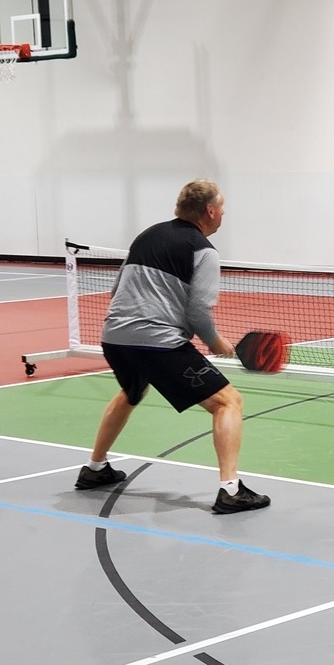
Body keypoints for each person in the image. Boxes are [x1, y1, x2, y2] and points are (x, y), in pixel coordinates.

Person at [76, 179, 271, 516]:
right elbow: (197, 311)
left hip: (114, 336)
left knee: (131, 390)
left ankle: (95, 469)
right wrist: (214, 341)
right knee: (228, 402)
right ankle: (231, 490)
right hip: (157, 342)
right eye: (221, 207)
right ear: (210, 211)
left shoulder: (147, 236)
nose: (223, 213)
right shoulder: (204, 251)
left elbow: (117, 289)